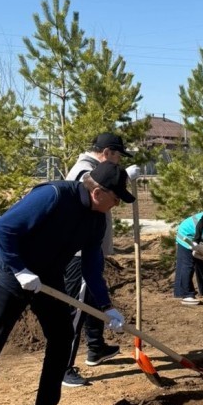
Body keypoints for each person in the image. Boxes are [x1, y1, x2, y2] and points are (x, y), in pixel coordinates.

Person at [0, 161, 135, 405]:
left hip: (47, 278)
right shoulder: (53, 196)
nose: (116, 206)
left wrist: (107, 306)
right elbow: (2, 229)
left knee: (62, 339)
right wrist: (20, 270)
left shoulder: (96, 220)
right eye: (115, 199)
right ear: (99, 192)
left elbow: (91, 266)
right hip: (11, 275)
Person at [61, 132, 135, 388]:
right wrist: (123, 180)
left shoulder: (93, 168)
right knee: (77, 305)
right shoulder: (84, 171)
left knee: (92, 296)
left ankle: (96, 347)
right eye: (117, 158)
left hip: (91, 249)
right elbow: (90, 195)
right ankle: (63, 366)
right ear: (106, 153)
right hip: (79, 252)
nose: (117, 164)